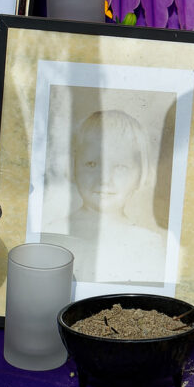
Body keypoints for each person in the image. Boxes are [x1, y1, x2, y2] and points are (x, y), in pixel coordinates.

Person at [63, 106, 168, 283]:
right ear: (73, 168)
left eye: (120, 167)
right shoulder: (53, 232)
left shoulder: (148, 244)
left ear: (141, 175)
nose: (104, 179)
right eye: (91, 164)